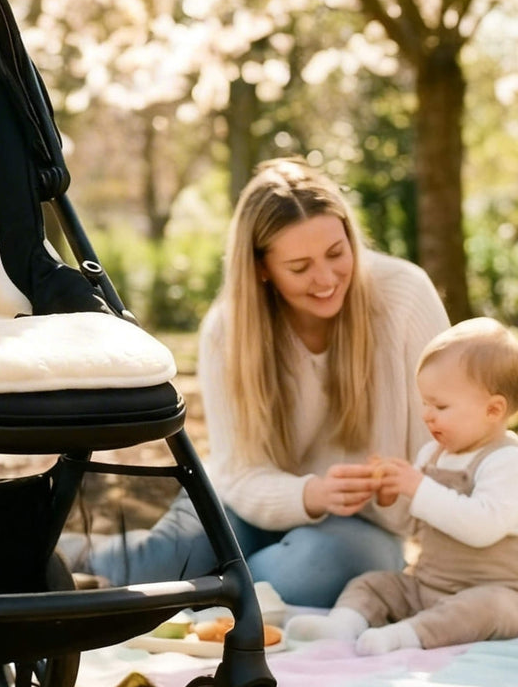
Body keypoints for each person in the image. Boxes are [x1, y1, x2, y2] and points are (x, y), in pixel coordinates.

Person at [58, 156, 450, 606]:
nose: (326, 279)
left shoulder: (404, 295)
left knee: (318, 569)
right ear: (262, 268)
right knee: (165, 559)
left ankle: (185, 604)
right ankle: (60, 562)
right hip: (246, 508)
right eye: (300, 267)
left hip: (362, 529)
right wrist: (311, 493)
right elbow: (239, 474)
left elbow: (441, 450)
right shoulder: (229, 330)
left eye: (337, 253)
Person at [285, 318, 518, 654]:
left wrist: (418, 487)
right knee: (373, 583)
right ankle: (342, 626)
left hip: (492, 591)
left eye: (440, 406)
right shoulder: (433, 454)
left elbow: (481, 526)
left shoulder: (506, 461)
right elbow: (416, 524)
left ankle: (404, 637)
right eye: (425, 403)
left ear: (493, 410)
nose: (427, 415)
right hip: (427, 585)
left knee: (487, 608)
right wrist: (392, 495)